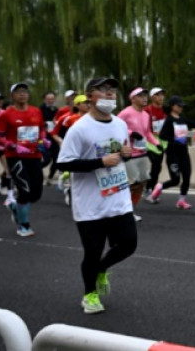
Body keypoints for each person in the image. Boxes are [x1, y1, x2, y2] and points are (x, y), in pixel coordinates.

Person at [56, 76, 136, 314]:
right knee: (92, 252)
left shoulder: (120, 123)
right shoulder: (79, 128)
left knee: (129, 245)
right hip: (90, 205)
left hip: (118, 198)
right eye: (103, 90)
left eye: (112, 90)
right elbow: (63, 164)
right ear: (90, 96)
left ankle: (102, 269)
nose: (110, 94)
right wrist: (99, 161)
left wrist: (126, 153)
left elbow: (122, 152)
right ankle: (89, 295)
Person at [0, 82, 47, 237]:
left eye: (25, 91)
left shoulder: (36, 111)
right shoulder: (6, 114)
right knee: (25, 191)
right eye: (18, 92)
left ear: (28, 95)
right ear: (12, 96)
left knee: (36, 193)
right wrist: (11, 145)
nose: (22, 94)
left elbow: (41, 129)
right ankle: (23, 225)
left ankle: (15, 207)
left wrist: (43, 140)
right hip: (16, 157)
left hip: (34, 156)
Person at [117, 87, 161, 221]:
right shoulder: (126, 113)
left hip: (142, 153)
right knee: (132, 183)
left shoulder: (146, 115)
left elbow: (147, 133)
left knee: (142, 183)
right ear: (133, 99)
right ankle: (122, 210)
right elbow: (115, 127)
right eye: (140, 96)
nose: (144, 98)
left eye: (145, 96)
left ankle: (130, 210)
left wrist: (156, 143)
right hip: (129, 154)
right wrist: (130, 133)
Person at [149, 95, 195, 208]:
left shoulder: (183, 118)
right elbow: (162, 136)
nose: (181, 107)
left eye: (182, 106)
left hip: (184, 153)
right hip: (172, 153)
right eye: (178, 105)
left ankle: (182, 200)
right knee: (175, 180)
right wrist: (175, 140)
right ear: (172, 106)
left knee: (186, 176)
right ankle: (160, 187)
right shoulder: (169, 120)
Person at [143, 87, 166, 199]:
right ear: (152, 97)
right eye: (158, 95)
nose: (161, 97)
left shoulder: (166, 110)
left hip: (163, 143)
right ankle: (149, 189)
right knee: (156, 165)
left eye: (162, 95)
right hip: (150, 142)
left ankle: (149, 187)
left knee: (157, 168)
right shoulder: (147, 110)